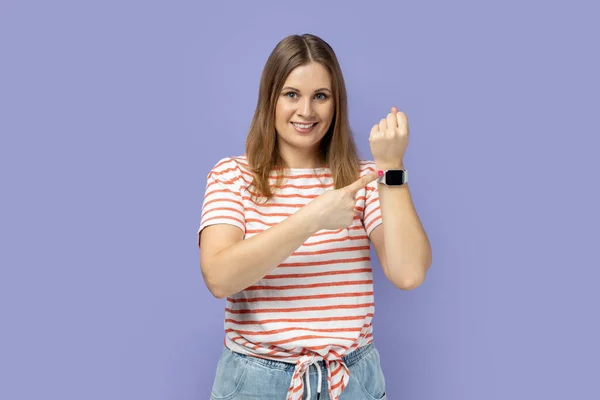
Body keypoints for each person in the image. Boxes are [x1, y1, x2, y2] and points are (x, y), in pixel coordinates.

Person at [197, 33, 432, 400]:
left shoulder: (365, 180)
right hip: (256, 382)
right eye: (292, 94)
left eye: (320, 96)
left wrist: (392, 168)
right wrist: (313, 217)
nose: (306, 111)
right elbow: (219, 278)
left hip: (351, 381)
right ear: (269, 99)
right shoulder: (232, 175)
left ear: (336, 103)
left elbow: (408, 273)